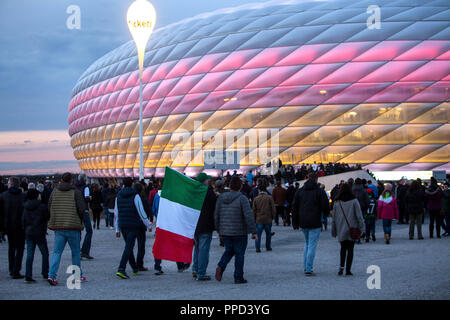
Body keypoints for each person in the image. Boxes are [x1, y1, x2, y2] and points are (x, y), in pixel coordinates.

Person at [214, 176, 257, 284]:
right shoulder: (242, 198)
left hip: (225, 230)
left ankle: (221, 266)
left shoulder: (221, 198)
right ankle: (238, 277)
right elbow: (248, 215)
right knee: (239, 254)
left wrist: (218, 230)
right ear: (240, 186)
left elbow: (216, 215)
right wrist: (254, 231)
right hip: (239, 231)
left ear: (229, 186)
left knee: (229, 250)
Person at [47, 172, 86, 286]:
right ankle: (76, 275)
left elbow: (49, 206)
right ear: (71, 181)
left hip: (59, 226)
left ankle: (51, 275)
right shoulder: (76, 192)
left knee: (57, 252)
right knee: (75, 252)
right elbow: (82, 208)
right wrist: (79, 219)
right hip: (73, 226)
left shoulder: (54, 191)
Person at [292, 173, 330, 276]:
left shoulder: (300, 191)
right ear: (316, 180)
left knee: (307, 243)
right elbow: (325, 206)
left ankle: (305, 266)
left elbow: (294, 207)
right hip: (315, 221)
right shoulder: (320, 191)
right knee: (312, 245)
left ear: (307, 178)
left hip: (303, 221)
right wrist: (324, 216)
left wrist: (295, 222)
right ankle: (308, 268)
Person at [114, 178, 153, 279]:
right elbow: (141, 212)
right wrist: (148, 225)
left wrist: (117, 229)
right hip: (133, 224)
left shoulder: (118, 196)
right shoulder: (135, 196)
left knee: (128, 246)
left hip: (123, 224)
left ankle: (135, 268)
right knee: (128, 247)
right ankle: (121, 269)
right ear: (131, 184)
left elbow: (116, 214)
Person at [332, 183, 365, 276]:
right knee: (350, 249)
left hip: (341, 228)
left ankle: (341, 267)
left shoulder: (337, 202)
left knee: (342, 248)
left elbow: (334, 218)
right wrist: (362, 228)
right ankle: (348, 270)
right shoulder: (354, 200)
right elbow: (359, 216)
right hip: (352, 228)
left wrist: (334, 231)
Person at [192, 173, 217, 281]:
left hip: (194, 224)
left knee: (197, 248)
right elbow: (215, 207)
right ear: (205, 181)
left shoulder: (193, 193)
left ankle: (195, 268)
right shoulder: (209, 193)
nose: (209, 181)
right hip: (206, 225)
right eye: (207, 180)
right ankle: (201, 273)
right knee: (203, 250)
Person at [0, 177, 25, 278]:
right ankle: (16, 270)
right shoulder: (23, 196)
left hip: (8, 226)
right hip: (20, 226)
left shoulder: (3, 196)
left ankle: (11, 269)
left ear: (10, 184)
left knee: (11, 248)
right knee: (20, 249)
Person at [23, 189, 50, 283]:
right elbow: (47, 217)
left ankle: (28, 274)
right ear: (36, 196)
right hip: (39, 232)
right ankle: (45, 272)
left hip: (29, 232)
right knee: (45, 253)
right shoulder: (42, 207)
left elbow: (23, 220)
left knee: (30, 254)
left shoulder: (25, 206)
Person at [252, 185, 275, 253]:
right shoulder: (269, 198)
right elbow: (273, 209)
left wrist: (254, 219)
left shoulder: (256, 199)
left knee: (258, 234)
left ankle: (257, 248)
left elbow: (254, 210)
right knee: (268, 234)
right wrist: (272, 217)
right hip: (268, 218)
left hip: (259, 219)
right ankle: (268, 247)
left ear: (259, 190)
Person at [77, 177, 94, 260]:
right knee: (89, 230)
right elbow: (86, 198)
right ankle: (85, 251)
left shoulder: (75, 188)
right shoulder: (85, 188)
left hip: (76, 211)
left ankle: (76, 251)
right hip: (84, 210)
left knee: (78, 231)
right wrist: (90, 198)